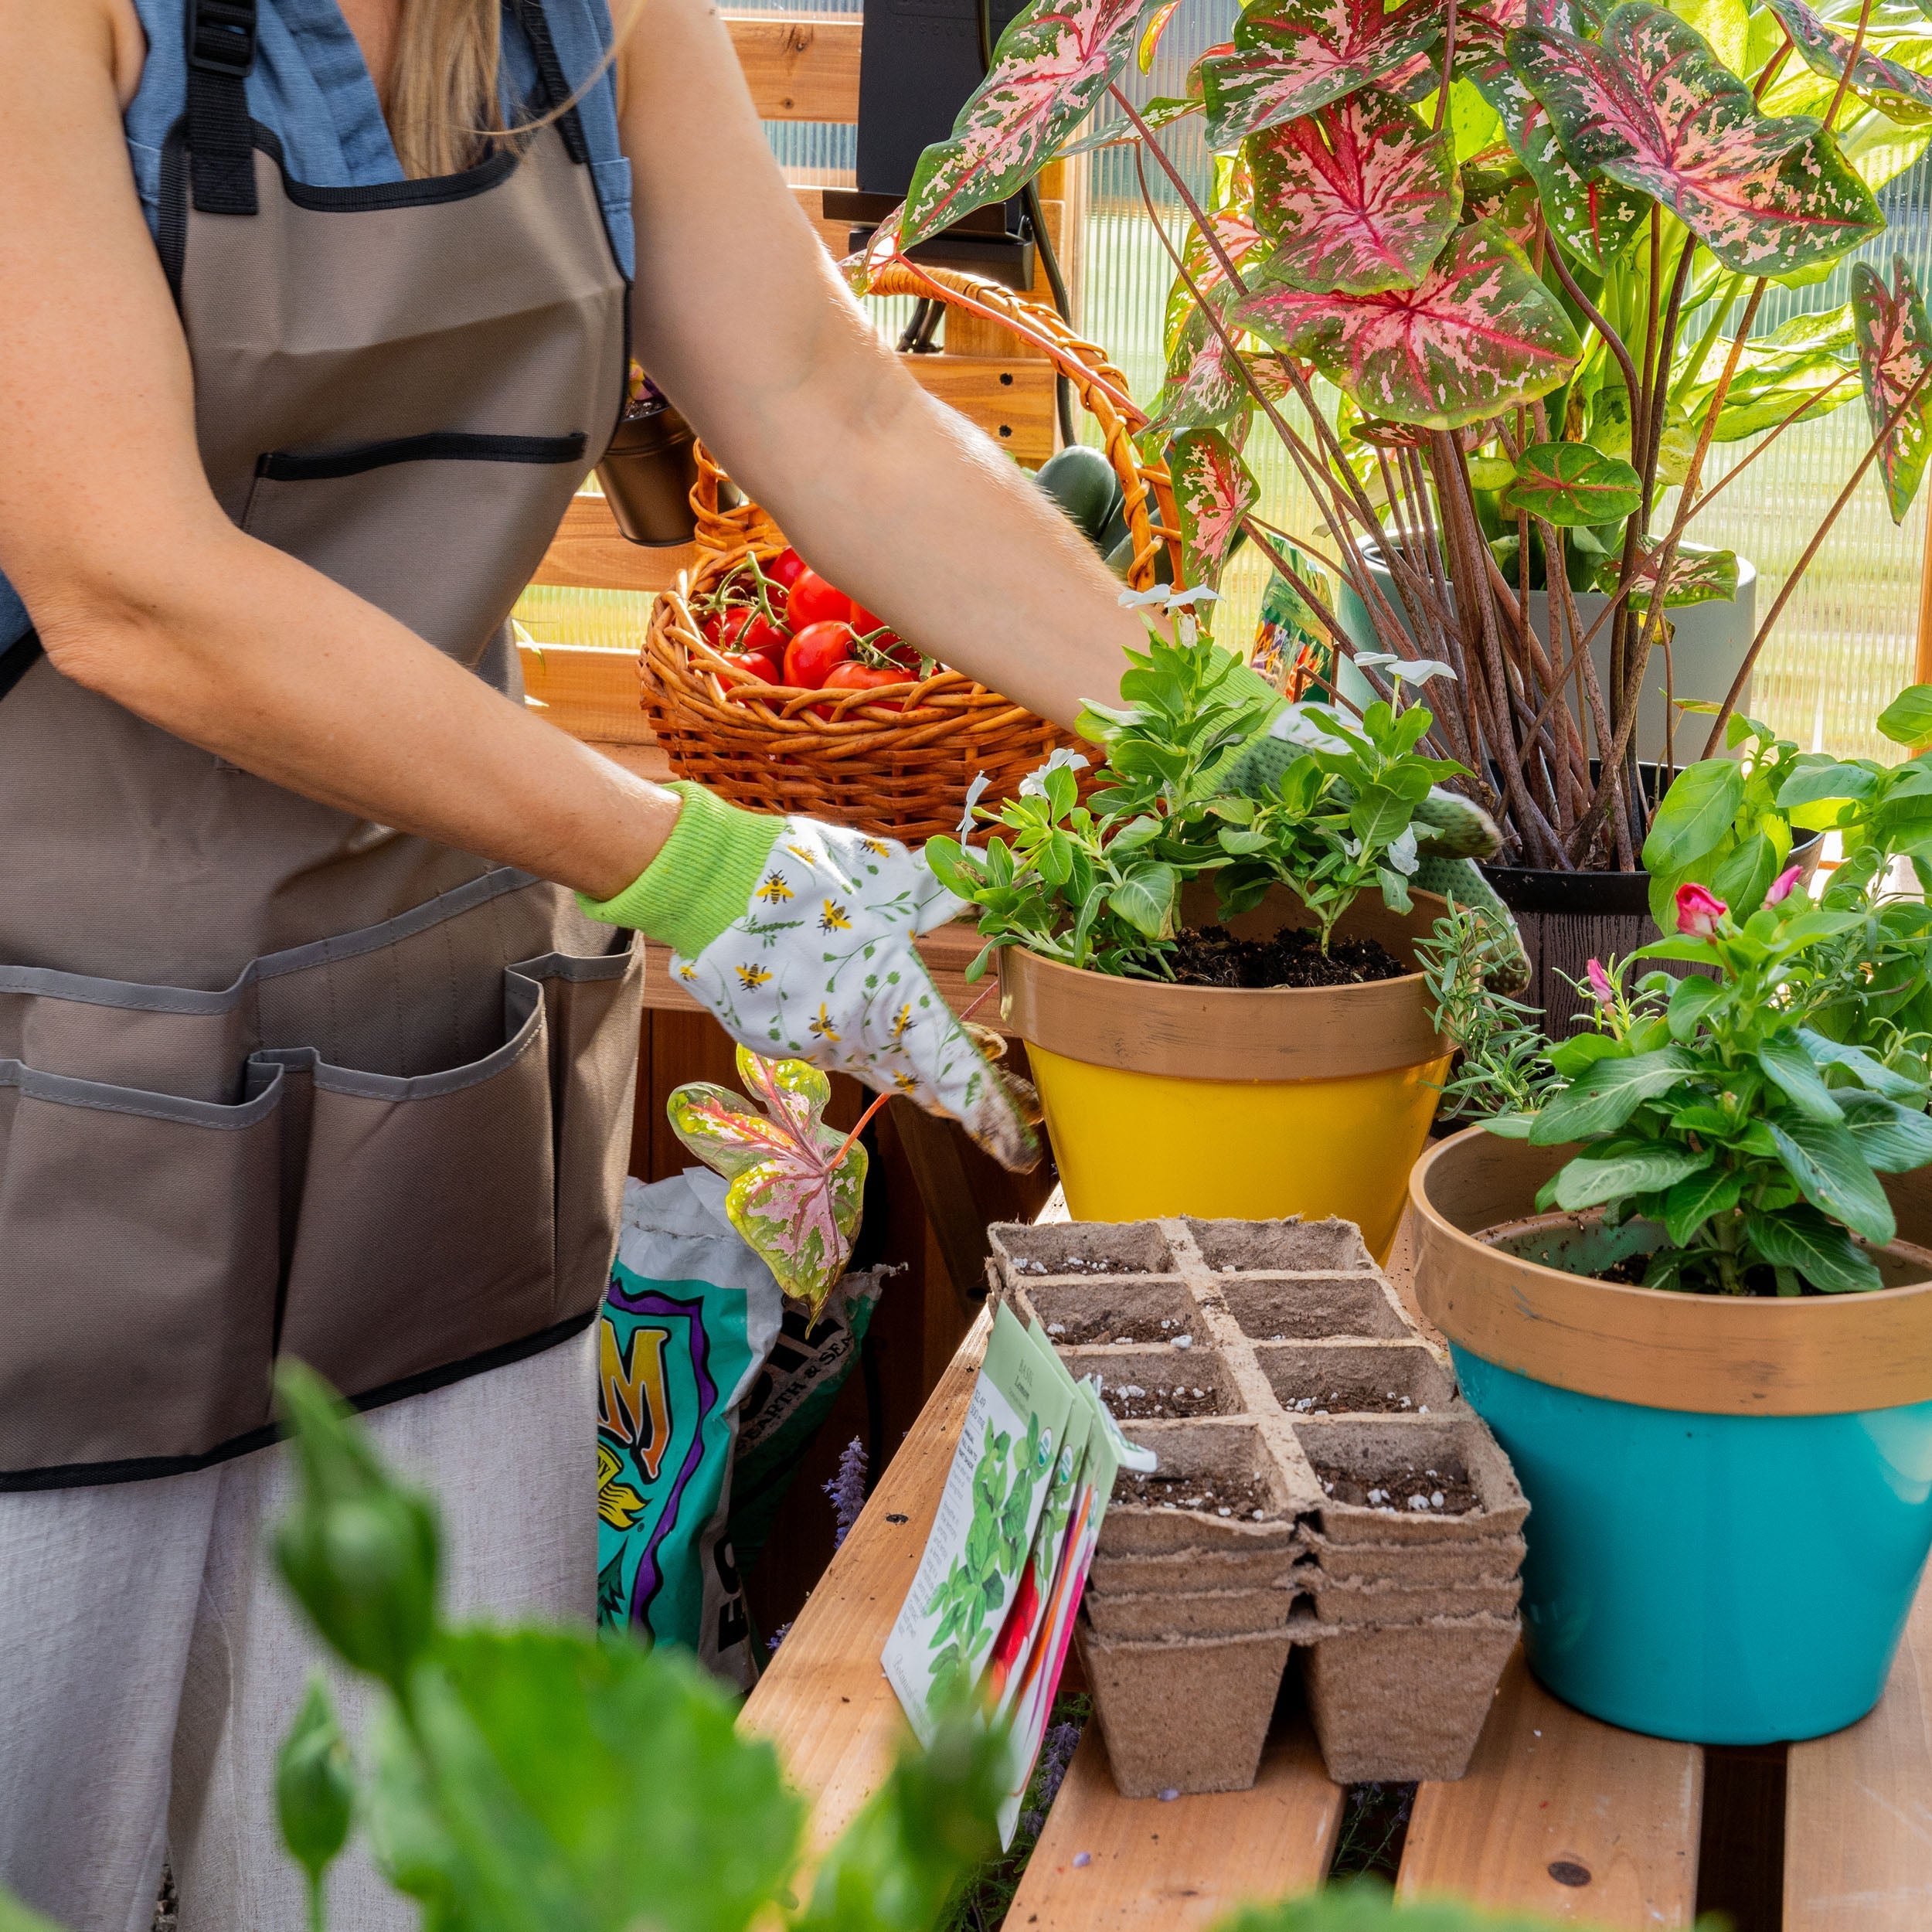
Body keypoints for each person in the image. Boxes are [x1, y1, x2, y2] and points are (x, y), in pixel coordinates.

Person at [0, 2, 1145, 1926]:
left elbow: (823, 396)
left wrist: (1203, 723)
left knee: (415, 1859)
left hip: (430, 1062)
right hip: (48, 1090)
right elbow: (126, 577)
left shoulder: (574, 13)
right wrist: (708, 868)